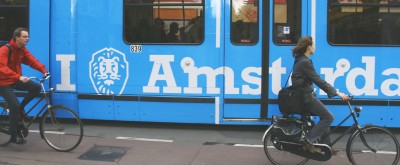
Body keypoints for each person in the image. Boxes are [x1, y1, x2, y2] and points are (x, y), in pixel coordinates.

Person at [291, 36, 349, 155]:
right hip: (305, 98)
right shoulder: (304, 62)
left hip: (305, 95)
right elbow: (318, 80)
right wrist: (337, 92)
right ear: (308, 47)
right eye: (313, 45)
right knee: (329, 117)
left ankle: (325, 146)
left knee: (325, 117)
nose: (314, 48)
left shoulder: (301, 60)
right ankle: (308, 141)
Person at [0, 27, 48, 144]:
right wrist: (19, 77)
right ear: (17, 38)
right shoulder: (5, 50)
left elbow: (32, 61)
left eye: (28, 36)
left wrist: (44, 71)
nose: (28, 38)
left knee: (36, 87)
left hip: (15, 79)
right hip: (3, 82)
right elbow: (1, 67)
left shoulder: (22, 50)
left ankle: (20, 109)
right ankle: (13, 135)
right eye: (25, 36)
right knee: (14, 105)